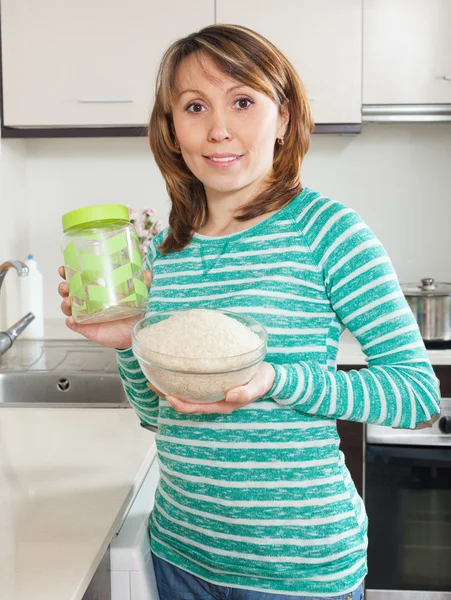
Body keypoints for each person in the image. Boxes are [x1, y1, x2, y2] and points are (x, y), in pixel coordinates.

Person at [58, 24, 441, 600]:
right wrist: (129, 343)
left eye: (242, 101)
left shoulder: (329, 233)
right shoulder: (164, 252)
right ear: (172, 128)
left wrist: (276, 381)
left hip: (299, 571)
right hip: (182, 555)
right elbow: (160, 417)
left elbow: (416, 395)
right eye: (194, 106)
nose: (218, 129)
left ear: (282, 117)